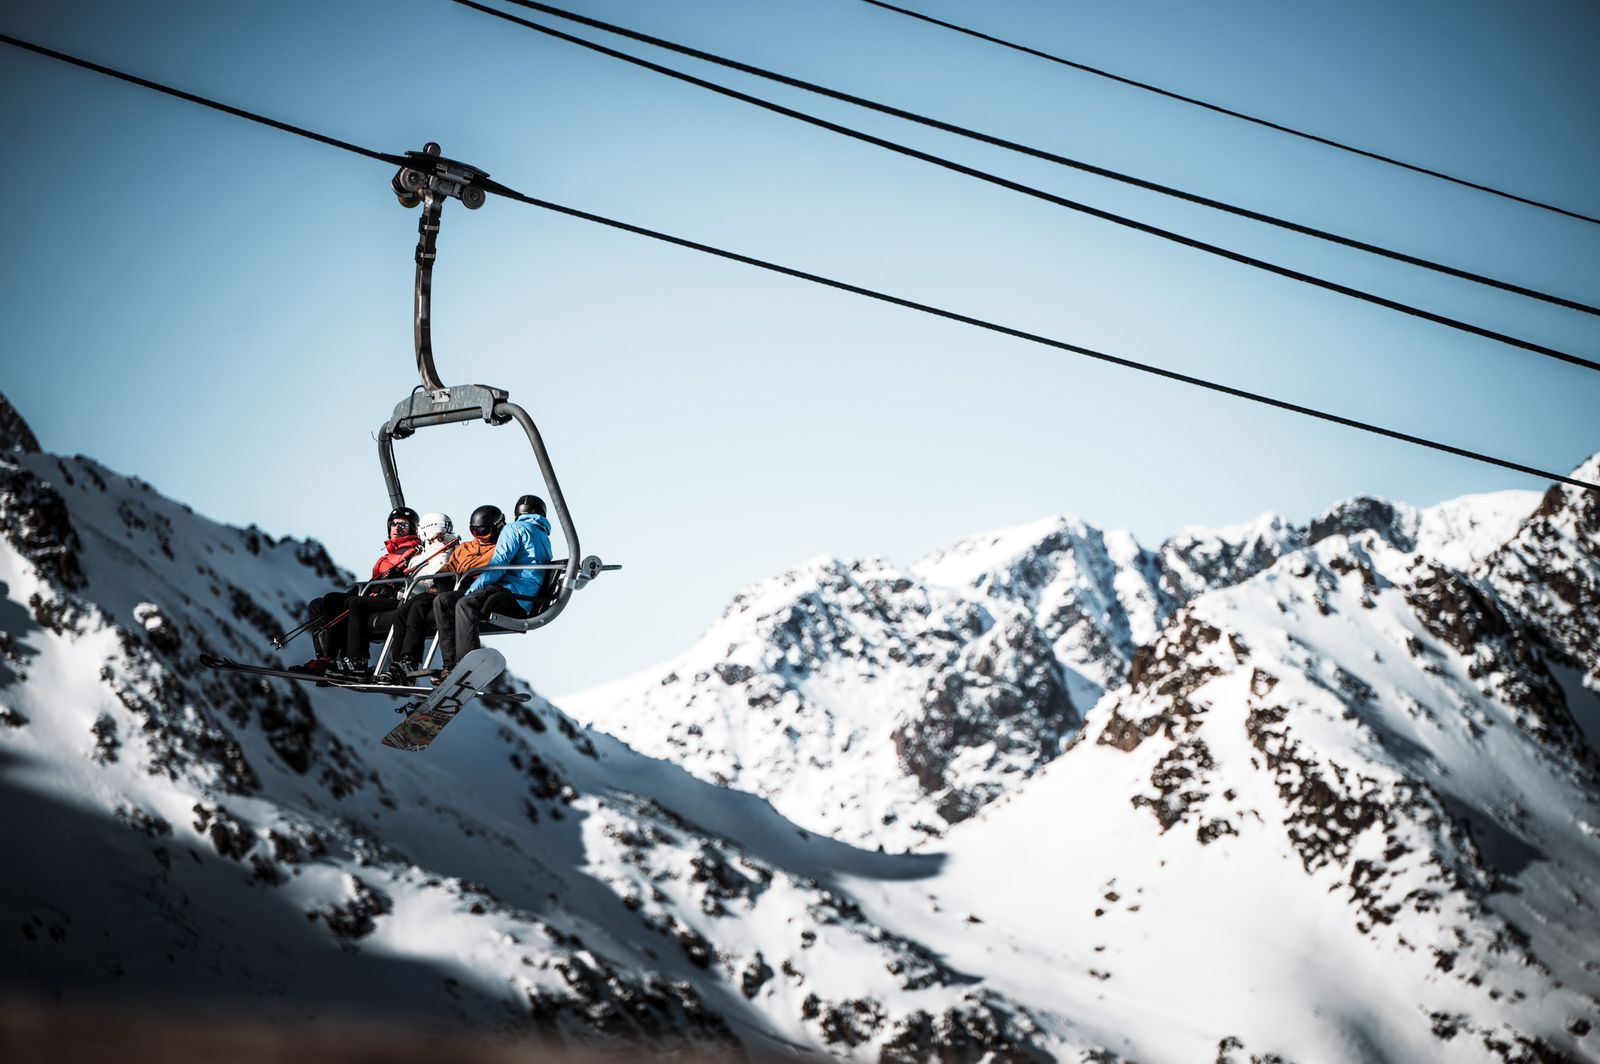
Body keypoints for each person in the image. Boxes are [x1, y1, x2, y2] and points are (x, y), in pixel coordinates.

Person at [432, 494, 553, 674]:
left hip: (511, 595)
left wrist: (471, 591)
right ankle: (451, 668)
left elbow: (497, 566)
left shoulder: (514, 529)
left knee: (465, 603)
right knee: (444, 601)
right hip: (523, 597)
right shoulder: (543, 536)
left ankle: (467, 665)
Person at [301, 507, 422, 673]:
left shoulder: (415, 552)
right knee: (324, 602)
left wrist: (397, 579)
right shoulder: (385, 557)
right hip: (377, 595)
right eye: (393, 524)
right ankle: (326, 656)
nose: (397, 528)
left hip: (396, 598)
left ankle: (357, 658)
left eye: (403, 525)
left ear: (413, 529)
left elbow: (417, 577)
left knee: (355, 603)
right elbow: (376, 579)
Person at [380, 511, 497, 682]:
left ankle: (419, 662)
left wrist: (449, 578)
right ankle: (401, 664)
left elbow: (479, 566)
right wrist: (440, 578)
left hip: (458, 588)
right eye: (475, 531)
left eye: (484, 531)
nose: (479, 536)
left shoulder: (492, 548)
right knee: (403, 611)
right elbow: (449, 566)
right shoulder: (465, 547)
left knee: (421, 607)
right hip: (442, 586)